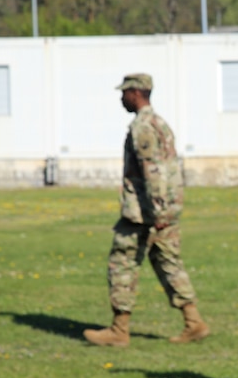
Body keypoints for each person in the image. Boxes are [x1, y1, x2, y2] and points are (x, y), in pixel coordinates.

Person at [84, 73, 209, 347]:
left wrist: (157, 213)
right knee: (168, 264)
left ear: (136, 93)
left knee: (122, 263)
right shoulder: (160, 124)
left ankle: (119, 329)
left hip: (144, 214)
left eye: (124, 93)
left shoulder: (143, 126)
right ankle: (193, 321)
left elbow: (153, 172)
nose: (121, 98)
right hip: (162, 210)